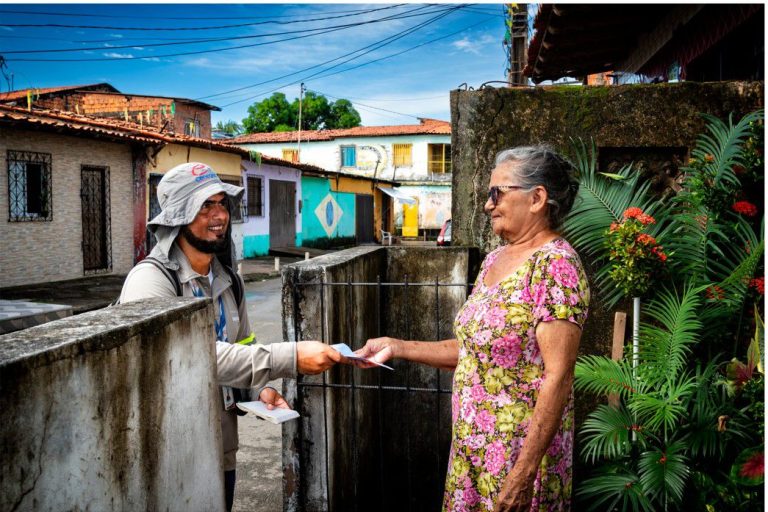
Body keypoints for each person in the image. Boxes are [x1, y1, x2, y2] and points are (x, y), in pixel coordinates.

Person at [353, 146, 589, 512]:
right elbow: (473, 350)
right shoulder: (496, 259)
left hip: (517, 462)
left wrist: (523, 475)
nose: (487, 204)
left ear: (537, 198)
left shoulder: (556, 267)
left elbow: (558, 377)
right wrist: (396, 345)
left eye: (497, 193)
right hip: (472, 454)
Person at [119, 162, 342, 512]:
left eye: (221, 203)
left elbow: (241, 347)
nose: (219, 214)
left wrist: (260, 389)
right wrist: (288, 357)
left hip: (221, 446)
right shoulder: (151, 281)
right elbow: (192, 357)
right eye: (204, 206)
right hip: (170, 450)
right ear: (178, 215)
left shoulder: (228, 280)